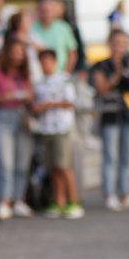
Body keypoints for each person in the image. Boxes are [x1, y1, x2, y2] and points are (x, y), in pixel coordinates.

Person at [89, 29, 129, 211]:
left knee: (126, 156)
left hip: (127, 114)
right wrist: (118, 73)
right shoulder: (101, 66)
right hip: (110, 115)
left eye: (123, 43)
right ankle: (109, 194)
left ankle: (125, 193)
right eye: (116, 43)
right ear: (109, 44)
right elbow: (102, 88)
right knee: (110, 156)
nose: (119, 47)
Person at [30, 47, 80, 218]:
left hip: (62, 128)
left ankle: (74, 201)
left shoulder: (64, 81)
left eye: (49, 61)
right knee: (53, 168)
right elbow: (35, 106)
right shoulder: (39, 84)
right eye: (43, 62)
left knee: (64, 166)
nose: (46, 65)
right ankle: (59, 201)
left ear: (55, 62)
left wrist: (49, 105)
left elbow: (70, 102)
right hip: (46, 128)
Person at [0, 37, 35, 219]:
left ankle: (19, 199)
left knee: (22, 162)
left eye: (21, 53)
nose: (18, 56)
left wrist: (27, 96)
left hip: (22, 116)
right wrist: (5, 96)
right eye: (14, 52)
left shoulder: (26, 75)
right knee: (5, 162)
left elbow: (32, 94)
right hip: (3, 118)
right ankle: (5, 200)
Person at [30, 0, 78, 73]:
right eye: (43, 11)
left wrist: (65, 73)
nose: (46, 14)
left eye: (48, 11)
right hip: (39, 76)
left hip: (60, 75)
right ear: (38, 11)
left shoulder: (64, 27)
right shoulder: (31, 28)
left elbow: (72, 53)